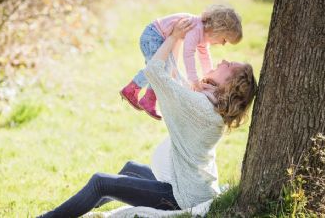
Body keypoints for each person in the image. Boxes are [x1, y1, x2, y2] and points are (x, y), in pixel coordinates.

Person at [37, 18, 257, 218]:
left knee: (100, 182)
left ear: (229, 85)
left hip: (180, 198)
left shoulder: (200, 106)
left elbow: (155, 71)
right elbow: (174, 78)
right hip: (187, 186)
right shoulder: (208, 104)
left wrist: (172, 37)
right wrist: (179, 39)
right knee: (129, 168)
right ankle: (79, 207)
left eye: (228, 66)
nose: (224, 60)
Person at [120, 5, 243, 120]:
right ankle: (134, 90)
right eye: (225, 40)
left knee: (162, 69)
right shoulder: (196, 28)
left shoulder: (203, 34)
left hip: (158, 38)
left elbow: (204, 56)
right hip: (153, 36)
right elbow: (188, 55)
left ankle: (148, 98)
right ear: (218, 29)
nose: (222, 44)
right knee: (159, 68)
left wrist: (208, 75)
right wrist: (194, 80)